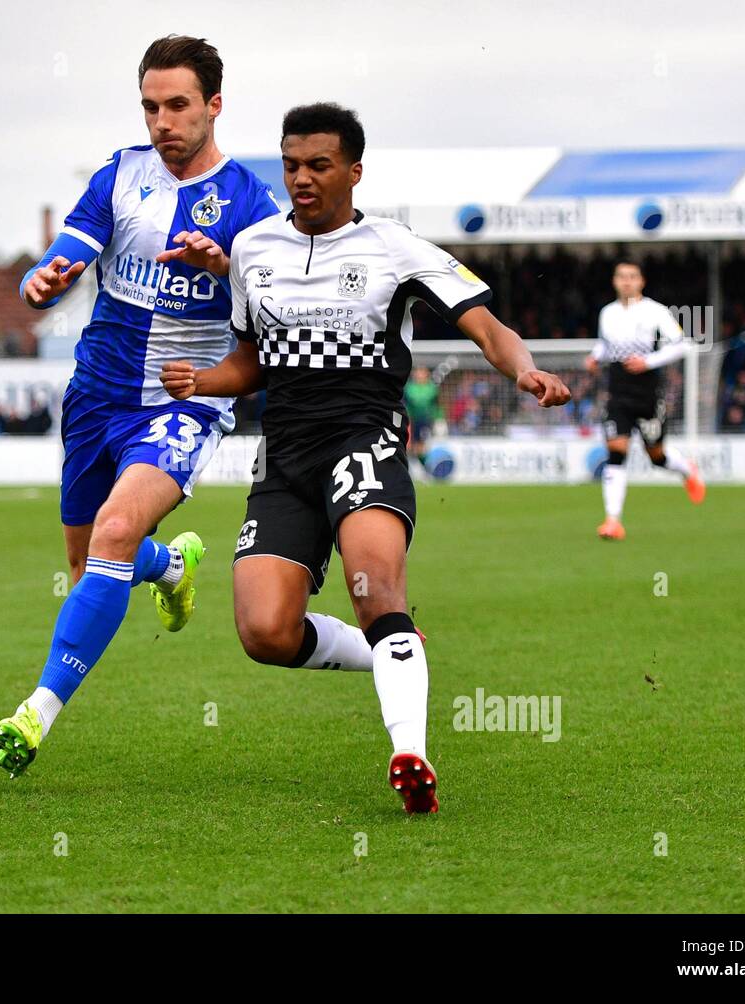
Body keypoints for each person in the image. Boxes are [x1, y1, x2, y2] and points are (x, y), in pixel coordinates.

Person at [160, 103, 570, 813]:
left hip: (364, 440)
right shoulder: (254, 249)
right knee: (264, 632)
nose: (302, 179)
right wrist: (201, 379)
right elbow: (252, 361)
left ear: (353, 170)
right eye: (290, 165)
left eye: (318, 165)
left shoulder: (394, 246)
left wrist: (523, 371)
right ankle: (390, 648)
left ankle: (409, 751)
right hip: (283, 455)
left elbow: (485, 324)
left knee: (374, 584)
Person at [0, 34, 280, 778]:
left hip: (183, 401)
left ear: (214, 105)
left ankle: (37, 712)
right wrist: (42, 281)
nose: (163, 121)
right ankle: (170, 570)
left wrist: (225, 268)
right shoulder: (120, 176)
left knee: (113, 532)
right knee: (92, 559)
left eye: (178, 105)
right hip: (96, 395)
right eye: (151, 106)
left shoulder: (253, 204)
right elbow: (65, 253)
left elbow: (274, 313)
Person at [583, 261, 705, 540]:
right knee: (616, 451)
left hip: (647, 394)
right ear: (614, 281)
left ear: (641, 281)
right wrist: (594, 357)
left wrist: (648, 361)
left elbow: (682, 344)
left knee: (657, 457)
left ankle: (687, 470)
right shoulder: (608, 313)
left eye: (632, 277)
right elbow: (605, 344)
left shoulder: (655, 311)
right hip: (617, 393)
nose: (626, 282)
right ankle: (613, 521)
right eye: (621, 277)